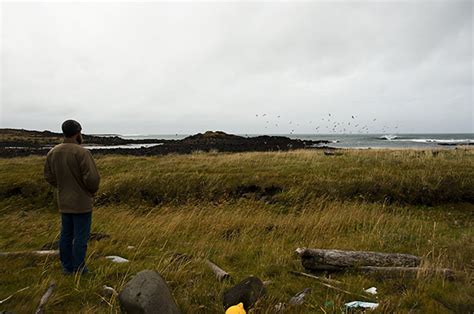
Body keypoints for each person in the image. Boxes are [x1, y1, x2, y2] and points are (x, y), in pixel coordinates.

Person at [44, 120, 100, 274]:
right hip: (81, 202)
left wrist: (61, 186)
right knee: (81, 237)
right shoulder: (82, 152)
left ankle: (67, 267)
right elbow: (93, 179)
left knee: (66, 235)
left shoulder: (53, 152)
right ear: (78, 133)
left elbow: (48, 176)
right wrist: (90, 190)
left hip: (63, 200)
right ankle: (79, 268)